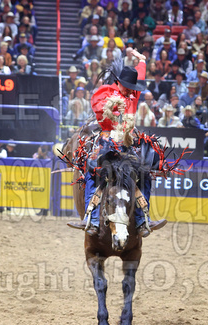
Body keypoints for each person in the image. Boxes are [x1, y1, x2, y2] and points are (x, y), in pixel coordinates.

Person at [67, 50, 166, 238]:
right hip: (107, 138)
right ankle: (92, 218)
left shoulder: (132, 91)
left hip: (127, 140)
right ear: (119, 82)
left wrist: (142, 61)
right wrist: (112, 107)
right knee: (92, 169)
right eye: (127, 86)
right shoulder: (105, 92)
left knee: (144, 172)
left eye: (132, 86)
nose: (130, 90)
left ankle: (142, 218)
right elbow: (98, 109)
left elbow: (140, 72)